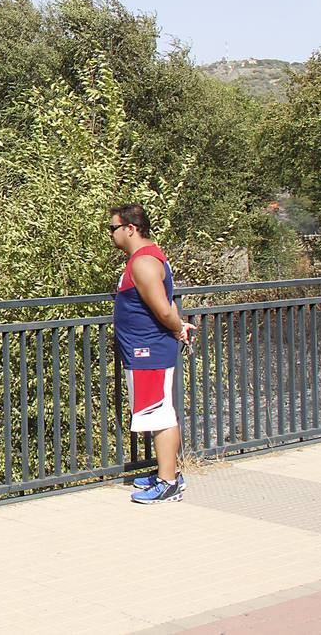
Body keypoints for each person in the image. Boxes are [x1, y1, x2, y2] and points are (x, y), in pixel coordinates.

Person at [108, 203, 196, 504]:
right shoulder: (146, 259)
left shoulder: (143, 263)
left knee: (159, 414)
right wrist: (177, 324)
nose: (111, 234)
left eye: (113, 228)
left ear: (130, 229)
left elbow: (162, 308)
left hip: (148, 352)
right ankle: (166, 472)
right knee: (158, 412)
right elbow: (167, 303)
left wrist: (175, 328)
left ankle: (169, 482)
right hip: (144, 351)